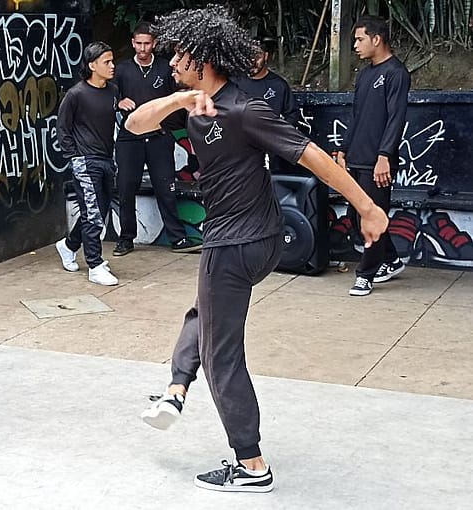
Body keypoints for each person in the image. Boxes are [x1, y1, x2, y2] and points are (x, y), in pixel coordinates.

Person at [126, 6, 389, 493]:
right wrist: (183, 97)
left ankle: (251, 465)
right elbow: (135, 125)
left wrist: (366, 206)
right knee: (203, 313)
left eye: (179, 59)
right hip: (258, 241)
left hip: (234, 244)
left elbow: (311, 157)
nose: (171, 65)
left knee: (222, 355)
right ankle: (176, 390)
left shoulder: (246, 110)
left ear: (201, 59)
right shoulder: (194, 103)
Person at [338, 15, 410, 297]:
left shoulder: (396, 73)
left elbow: (396, 119)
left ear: (376, 39)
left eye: (359, 39)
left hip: (377, 161)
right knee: (357, 215)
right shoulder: (365, 74)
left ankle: (365, 275)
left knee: (370, 217)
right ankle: (390, 259)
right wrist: (343, 148)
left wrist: (384, 156)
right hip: (356, 157)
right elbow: (356, 116)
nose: (355, 45)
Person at [112, 21, 198, 257]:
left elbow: (178, 100)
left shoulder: (164, 68)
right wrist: (118, 102)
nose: (142, 48)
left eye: (147, 43)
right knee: (126, 186)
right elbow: (107, 95)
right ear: (132, 43)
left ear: (155, 43)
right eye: (138, 43)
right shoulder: (121, 70)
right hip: (130, 138)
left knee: (166, 187)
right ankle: (126, 239)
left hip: (160, 136)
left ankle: (178, 238)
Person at [54, 41, 120, 286]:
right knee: (93, 214)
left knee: (99, 211)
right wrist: (75, 156)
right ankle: (94, 264)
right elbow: (63, 128)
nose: (112, 66)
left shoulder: (113, 91)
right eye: (107, 62)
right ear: (92, 65)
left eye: (112, 61)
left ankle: (69, 245)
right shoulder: (76, 94)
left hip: (106, 159)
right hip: (85, 161)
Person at [232, 40, 305, 173]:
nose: (252, 60)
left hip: (271, 155)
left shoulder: (279, 85)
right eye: (247, 55)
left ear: (266, 56)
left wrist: (275, 137)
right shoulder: (234, 82)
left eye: (257, 56)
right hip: (240, 153)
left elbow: (292, 115)